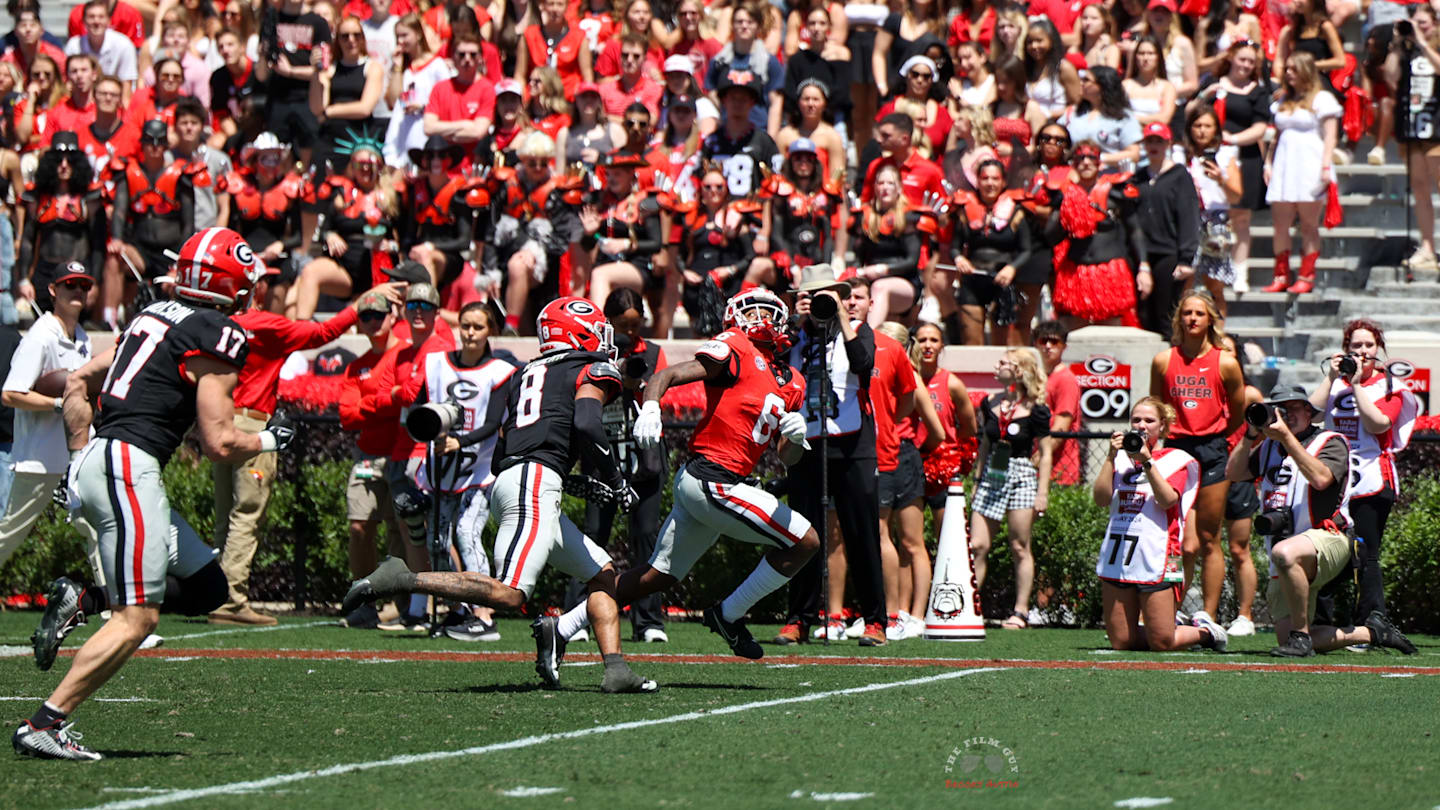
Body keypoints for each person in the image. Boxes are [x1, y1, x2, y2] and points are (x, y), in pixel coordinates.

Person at [12, 228, 298, 760]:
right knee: (138, 618)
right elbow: (218, 443)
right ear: (231, 285)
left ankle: (86, 598)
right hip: (130, 465)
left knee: (209, 586)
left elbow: (78, 382)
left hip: (107, 458)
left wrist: (78, 457)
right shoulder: (216, 329)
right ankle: (44, 723)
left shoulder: (151, 315)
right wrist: (269, 437)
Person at [344, 297, 659, 694]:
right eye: (597, 330)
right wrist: (616, 480)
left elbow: (505, 452)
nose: (603, 340)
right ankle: (402, 578)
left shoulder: (523, 373)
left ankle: (614, 668)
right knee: (510, 594)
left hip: (520, 480)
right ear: (578, 332)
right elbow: (587, 422)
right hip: (532, 485)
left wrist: (565, 480)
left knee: (603, 573)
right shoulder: (589, 367)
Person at [546, 288, 818, 657]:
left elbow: (788, 458)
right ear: (735, 318)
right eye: (752, 313)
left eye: (767, 313)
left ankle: (562, 627)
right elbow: (667, 376)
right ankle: (729, 614)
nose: (761, 320)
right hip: (711, 477)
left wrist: (795, 439)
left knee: (656, 575)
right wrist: (652, 408)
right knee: (806, 541)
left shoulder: (794, 382)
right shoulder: (735, 346)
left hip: (716, 484)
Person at [1225, 385, 1416, 657]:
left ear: (1309, 412)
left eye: (1292, 408)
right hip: (1287, 548)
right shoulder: (1269, 446)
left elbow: (1321, 479)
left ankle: (1301, 638)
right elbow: (1233, 472)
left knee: (1285, 553)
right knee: (1284, 636)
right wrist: (1250, 434)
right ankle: (1373, 632)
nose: (1285, 414)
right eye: (1279, 409)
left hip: (1330, 539)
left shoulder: (1330, 440)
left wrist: (1287, 439)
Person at [775, 266, 888, 647]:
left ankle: (875, 620)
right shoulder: (795, 334)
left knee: (861, 533)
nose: (820, 302)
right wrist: (796, 317)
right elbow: (775, 368)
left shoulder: (859, 331)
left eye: (828, 295)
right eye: (813, 296)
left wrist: (841, 315)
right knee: (804, 534)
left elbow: (863, 364)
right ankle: (799, 619)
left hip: (853, 443)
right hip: (808, 442)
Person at [411, 302, 517, 641]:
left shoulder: (499, 371)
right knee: (437, 541)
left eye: (478, 327)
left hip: (479, 473)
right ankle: (458, 607)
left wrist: (461, 440)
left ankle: (484, 613)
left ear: (490, 331)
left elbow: (492, 423)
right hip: (440, 469)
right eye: (465, 325)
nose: (470, 333)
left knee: (467, 533)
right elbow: (418, 409)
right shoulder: (437, 365)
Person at [1094, 397, 1228, 652]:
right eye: (1136, 420)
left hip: (1162, 554)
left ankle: (1204, 632)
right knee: (1122, 642)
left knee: (1162, 642)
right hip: (1119, 554)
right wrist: (1111, 457)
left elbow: (1167, 500)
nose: (1141, 425)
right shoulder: (1120, 459)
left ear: (1162, 426)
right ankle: (1161, 626)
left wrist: (1146, 461)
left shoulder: (1177, 459)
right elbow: (1101, 499)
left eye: (1149, 420)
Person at [1308, 320, 1418, 628]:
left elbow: (1379, 424)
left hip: (1371, 477)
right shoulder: (1334, 383)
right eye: (1356, 346)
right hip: (1334, 477)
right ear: (1346, 349)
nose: (1362, 351)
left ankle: (1372, 622)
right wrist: (1331, 378)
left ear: (1378, 349)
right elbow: (1311, 416)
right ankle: (1320, 622)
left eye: (1368, 345)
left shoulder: (1390, 385)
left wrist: (1356, 385)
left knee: (1366, 550)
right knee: (1326, 547)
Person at [1150, 289, 1244, 621]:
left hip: (1213, 450)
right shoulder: (1164, 360)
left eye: (1199, 313)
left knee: (1208, 537)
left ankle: (1209, 614)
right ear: (1179, 319)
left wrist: (1215, 433)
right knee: (1180, 541)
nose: (1192, 318)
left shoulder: (1226, 363)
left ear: (1210, 320)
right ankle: (1168, 610)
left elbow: (1237, 411)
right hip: (1176, 449)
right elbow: (1155, 408)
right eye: (1187, 313)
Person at [0, 262, 93, 575]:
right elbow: (11, 394)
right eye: (70, 285)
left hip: (76, 457)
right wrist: (59, 403)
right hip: (39, 459)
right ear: (53, 291)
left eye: (83, 285)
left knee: (99, 526)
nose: (78, 291)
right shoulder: (41, 336)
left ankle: (118, 610)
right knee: (7, 536)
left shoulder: (82, 337)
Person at [337, 291, 406, 628]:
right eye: (366, 317)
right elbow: (347, 416)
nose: (374, 322)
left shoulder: (404, 356)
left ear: (393, 316)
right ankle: (362, 600)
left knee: (400, 529)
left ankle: (401, 603)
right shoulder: (357, 364)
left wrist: (370, 404)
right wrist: (384, 401)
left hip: (401, 453)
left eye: (380, 315)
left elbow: (406, 399)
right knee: (359, 526)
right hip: (367, 455)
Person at [969, 348, 1051, 629]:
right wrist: (977, 481)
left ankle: (1021, 609)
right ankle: (969, 605)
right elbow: (985, 445)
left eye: (1003, 363)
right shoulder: (988, 402)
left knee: (1019, 545)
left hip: (1022, 473)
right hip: (993, 472)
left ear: (1019, 371)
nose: (996, 366)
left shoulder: (1037, 409)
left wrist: (1042, 492)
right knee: (977, 544)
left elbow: (1046, 452)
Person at [1188, 39, 1269, 294]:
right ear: (1231, 58)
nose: (1245, 65)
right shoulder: (1213, 83)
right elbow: (1190, 112)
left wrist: (1232, 138)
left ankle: (1240, 269)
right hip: (1212, 153)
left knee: (1242, 219)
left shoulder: (1258, 91)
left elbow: (1260, 126)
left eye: (1251, 61)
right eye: (1242, 58)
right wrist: (1204, 95)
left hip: (1245, 156)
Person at [290, 133, 399, 320]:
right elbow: (325, 228)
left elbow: (404, 237)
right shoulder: (342, 193)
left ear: (379, 166)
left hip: (379, 266)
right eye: (360, 163)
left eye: (370, 164)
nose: (365, 168)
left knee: (371, 318)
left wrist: (392, 246)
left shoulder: (391, 197)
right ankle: (302, 329)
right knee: (309, 272)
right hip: (345, 266)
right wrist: (330, 235)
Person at [1262, 52, 1338, 295]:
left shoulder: (1322, 98)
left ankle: (1307, 274)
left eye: (1294, 69)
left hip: (1310, 164)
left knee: (1308, 224)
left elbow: (1330, 136)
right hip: (1284, 163)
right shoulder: (1283, 99)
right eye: (1287, 69)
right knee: (1280, 224)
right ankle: (1281, 274)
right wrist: (1268, 163)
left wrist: (1326, 166)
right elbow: (1276, 135)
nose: (1288, 73)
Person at [1047, 140, 1143, 328]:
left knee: (1110, 328)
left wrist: (1144, 267)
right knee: (1074, 331)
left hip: (1110, 270)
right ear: (1073, 164)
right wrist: (1066, 206)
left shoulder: (1116, 192)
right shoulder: (1063, 193)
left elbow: (1135, 230)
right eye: (1080, 159)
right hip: (1076, 270)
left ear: (1099, 163)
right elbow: (1050, 236)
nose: (1086, 163)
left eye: (1091, 158)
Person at [16, 134, 105, 316]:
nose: (64, 165)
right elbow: (27, 241)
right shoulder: (37, 199)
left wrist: (95, 282)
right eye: (58, 160)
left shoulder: (90, 200)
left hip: (78, 272)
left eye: (69, 160)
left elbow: (98, 245)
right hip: (45, 274)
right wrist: (24, 280)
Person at [949, 158, 1032, 345]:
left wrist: (1012, 268)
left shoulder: (1016, 211)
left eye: (995, 178)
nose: (990, 183)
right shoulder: (964, 210)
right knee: (971, 340)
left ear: (1003, 181)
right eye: (985, 178)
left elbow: (1026, 250)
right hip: (973, 279)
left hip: (1002, 281)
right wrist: (959, 259)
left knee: (1001, 344)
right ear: (977, 180)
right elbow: (954, 247)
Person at [1133, 122, 1200, 335]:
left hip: (1168, 252)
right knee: (1142, 313)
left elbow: (1189, 217)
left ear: (1168, 143)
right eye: (1149, 141)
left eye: (1158, 141)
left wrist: (1186, 258)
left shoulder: (1179, 176)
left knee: (1166, 314)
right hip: (1142, 253)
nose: (1154, 146)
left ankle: (1168, 363)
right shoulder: (1139, 177)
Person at [1219, 334, 1263, 636]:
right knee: (1194, 546)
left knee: (1238, 549)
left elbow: (1262, 430)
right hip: (1206, 471)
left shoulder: (1248, 393)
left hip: (1236, 476)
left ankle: (1245, 616)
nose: (1222, 355)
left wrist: (1246, 461)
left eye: (1228, 351)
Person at [1181, 109, 1242, 318]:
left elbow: (1236, 195)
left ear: (1216, 129)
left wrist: (1220, 179)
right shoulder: (1179, 155)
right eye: (1197, 126)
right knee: (1186, 281)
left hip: (1216, 220)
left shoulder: (1225, 155)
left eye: (1207, 126)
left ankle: (1219, 334)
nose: (1201, 131)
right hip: (1188, 220)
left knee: (1215, 284)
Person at [255, 0, 330, 164]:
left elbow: (325, 71)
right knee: (276, 156)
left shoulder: (318, 23)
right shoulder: (271, 20)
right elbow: (261, 75)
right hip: (278, 99)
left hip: (308, 100)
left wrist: (291, 72)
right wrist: (262, 56)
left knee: (311, 157)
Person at [851, 162, 926, 326]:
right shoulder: (865, 216)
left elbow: (912, 261)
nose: (885, 187)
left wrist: (881, 270)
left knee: (879, 287)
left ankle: (869, 340)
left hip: (903, 281)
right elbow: (859, 255)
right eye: (881, 183)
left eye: (890, 183)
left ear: (899, 188)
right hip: (869, 278)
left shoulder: (908, 218)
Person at [310, 14, 386, 173]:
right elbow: (317, 108)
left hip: (359, 140)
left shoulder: (372, 67)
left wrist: (331, 111)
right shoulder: (330, 69)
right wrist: (316, 73)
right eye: (345, 36)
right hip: (330, 138)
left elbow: (365, 108)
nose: (351, 40)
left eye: (356, 35)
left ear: (363, 38)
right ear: (337, 40)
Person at [382, 13, 453, 170]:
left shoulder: (436, 65)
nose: (400, 41)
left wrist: (423, 107)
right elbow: (394, 101)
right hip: (402, 133)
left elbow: (447, 100)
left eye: (405, 35)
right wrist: (397, 67)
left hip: (425, 130)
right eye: (397, 36)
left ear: (418, 34)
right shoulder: (403, 68)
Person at [700, 76, 781, 200]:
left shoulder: (764, 141)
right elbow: (700, 178)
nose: (737, 103)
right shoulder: (711, 141)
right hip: (719, 213)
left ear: (752, 102)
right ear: (724, 100)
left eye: (743, 99)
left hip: (752, 213)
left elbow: (777, 180)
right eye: (733, 98)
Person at [1057, 65, 1141, 167]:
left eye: (1086, 80)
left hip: (1108, 175)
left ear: (1103, 85)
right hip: (1073, 174)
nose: (1081, 83)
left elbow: (1133, 154)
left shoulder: (1123, 116)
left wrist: (1097, 157)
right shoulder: (1073, 113)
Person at [1034, 320, 1081, 487]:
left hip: (1060, 472)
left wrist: (1038, 459)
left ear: (1064, 346)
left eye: (1054, 341)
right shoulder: (1038, 377)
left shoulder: (1065, 380)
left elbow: (1062, 425)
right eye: (1043, 341)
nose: (1048, 346)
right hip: (1038, 468)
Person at [514, 0, 592, 99]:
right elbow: (519, 75)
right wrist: (522, 99)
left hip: (568, 99)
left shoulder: (579, 37)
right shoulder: (529, 35)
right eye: (551, 4)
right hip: (537, 99)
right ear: (542, 6)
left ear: (567, 7)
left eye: (560, 4)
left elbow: (587, 76)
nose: (555, 9)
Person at [66, 0, 141, 100]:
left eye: (101, 17)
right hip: (82, 99)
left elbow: (126, 86)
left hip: (113, 99)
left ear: (109, 21)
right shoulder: (74, 45)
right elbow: (68, 83)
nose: (96, 21)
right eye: (91, 17)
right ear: (83, 21)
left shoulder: (124, 45)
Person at [1024, 19, 1080, 118]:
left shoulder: (1063, 68)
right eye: (1030, 42)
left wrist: (1049, 115)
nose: (1034, 46)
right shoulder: (1027, 68)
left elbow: (1078, 104)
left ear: (1051, 40)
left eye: (1039, 40)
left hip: (1056, 126)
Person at [1123, 36, 1176, 128]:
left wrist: (1134, 118)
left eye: (1151, 53)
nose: (1145, 58)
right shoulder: (1125, 85)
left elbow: (1165, 118)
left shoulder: (1167, 87)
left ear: (1158, 57)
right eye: (1141, 53)